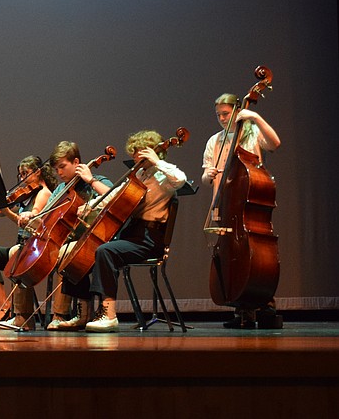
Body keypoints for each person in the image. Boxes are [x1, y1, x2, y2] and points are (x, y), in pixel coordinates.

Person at [82, 130, 187, 333]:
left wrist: (157, 162)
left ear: (152, 151)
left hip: (150, 239)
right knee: (93, 248)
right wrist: (92, 204)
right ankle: (88, 312)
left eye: (139, 152)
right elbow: (117, 197)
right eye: (134, 153)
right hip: (134, 233)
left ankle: (109, 314)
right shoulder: (139, 174)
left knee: (106, 251)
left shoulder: (164, 175)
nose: (136, 156)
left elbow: (181, 180)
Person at [202, 93, 282, 329]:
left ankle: (264, 304)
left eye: (226, 114)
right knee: (232, 256)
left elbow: (275, 143)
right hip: (226, 205)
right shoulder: (214, 141)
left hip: (248, 206)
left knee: (254, 256)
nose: (222, 119)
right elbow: (206, 175)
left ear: (237, 111)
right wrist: (208, 175)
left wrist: (255, 117)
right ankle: (241, 308)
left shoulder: (252, 133)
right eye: (218, 115)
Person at [16, 142, 113, 332]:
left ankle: (64, 314)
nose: (59, 172)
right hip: (61, 239)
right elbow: (45, 217)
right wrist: (30, 217)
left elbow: (114, 197)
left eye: (63, 166)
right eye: (56, 168)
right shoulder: (61, 189)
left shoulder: (98, 180)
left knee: (64, 253)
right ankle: (23, 317)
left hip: (93, 241)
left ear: (76, 162)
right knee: (17, 252)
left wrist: (91, 180)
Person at [0, 156, 54, 329]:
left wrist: (7, 212)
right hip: (20, 246)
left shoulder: (43, 193)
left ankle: (22, 317)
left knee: (16, 253)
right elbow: (9, 211)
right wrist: (0, 205)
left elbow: (29, 222)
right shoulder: (27, 195)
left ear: (38, 172)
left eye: (25, 174)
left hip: (34, 249)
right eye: (20, 175)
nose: (22, 179)